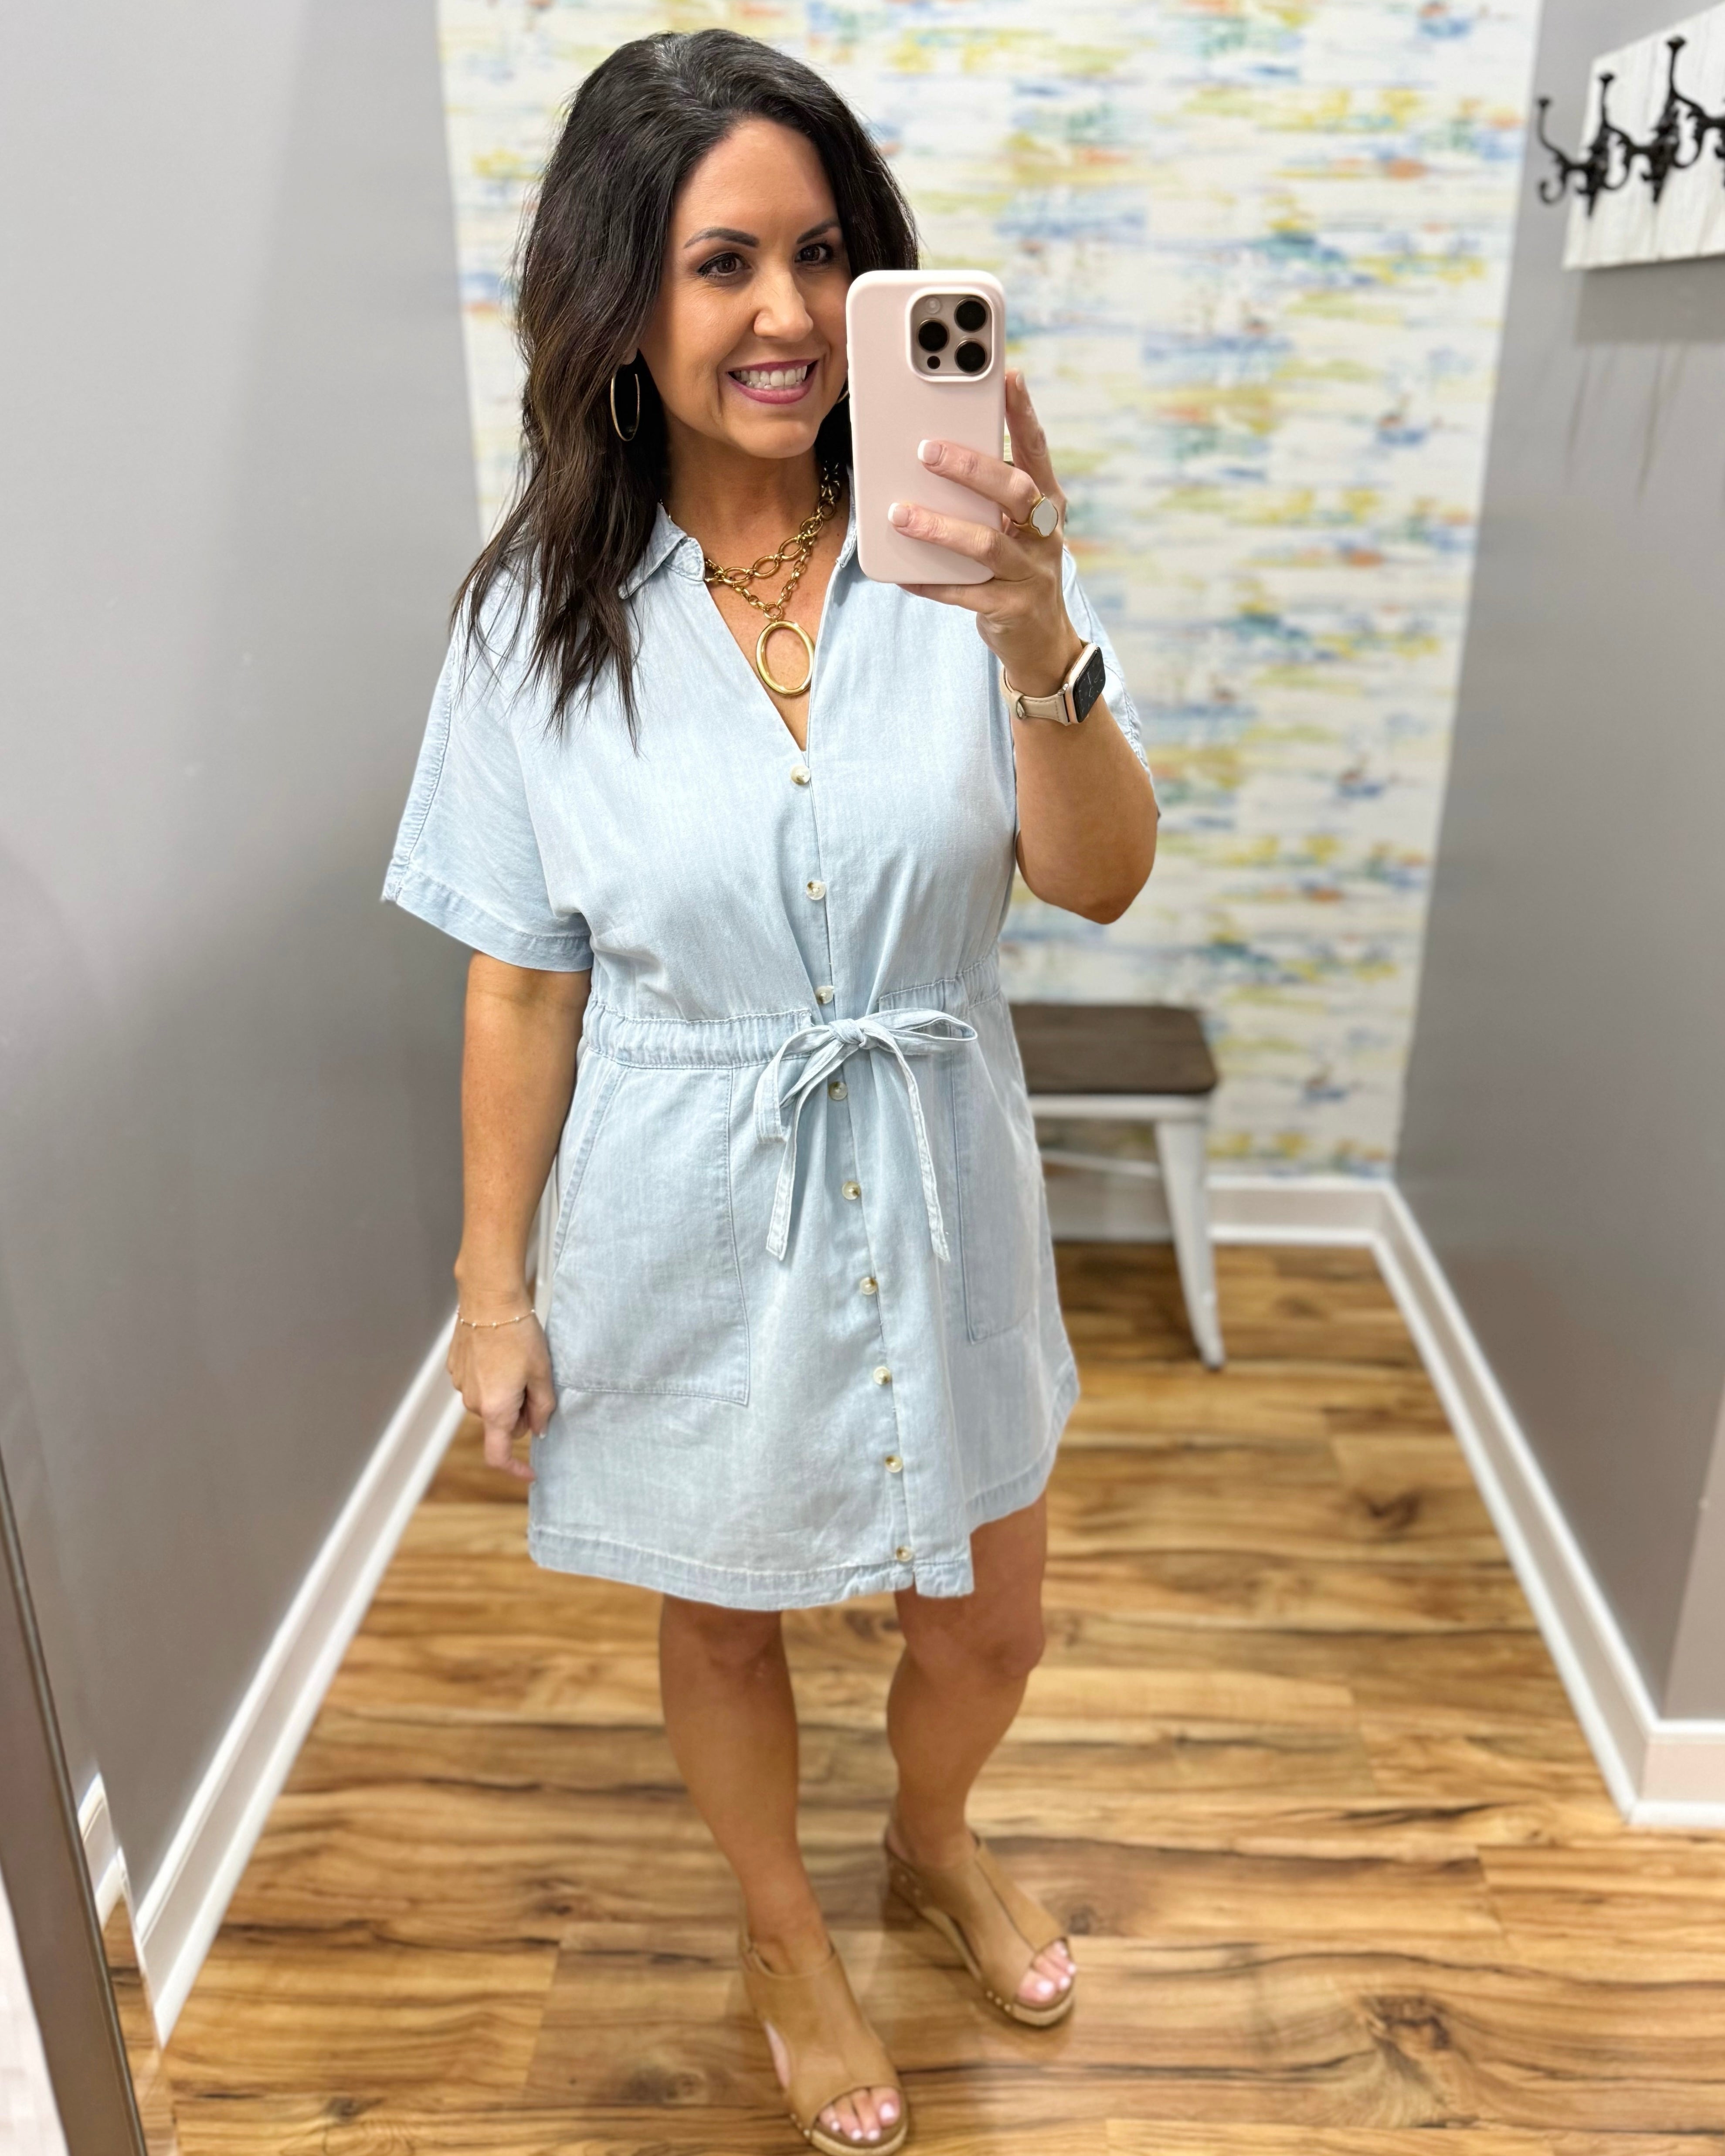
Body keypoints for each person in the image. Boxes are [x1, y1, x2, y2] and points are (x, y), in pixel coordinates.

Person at [384, 28, 1158, 2154]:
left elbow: (1094, 879)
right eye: (726, 262)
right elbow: (520, 982)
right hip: (682, 1184)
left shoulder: (966, 556)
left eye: (828, 256)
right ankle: (780, 1932)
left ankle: (927, 1833)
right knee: (722, 1624)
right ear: (624, 301)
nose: (794, 317)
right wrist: (492, 1288)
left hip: (934, 1165)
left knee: (986, 1619)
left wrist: (1040, 626)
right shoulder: (533, 626)